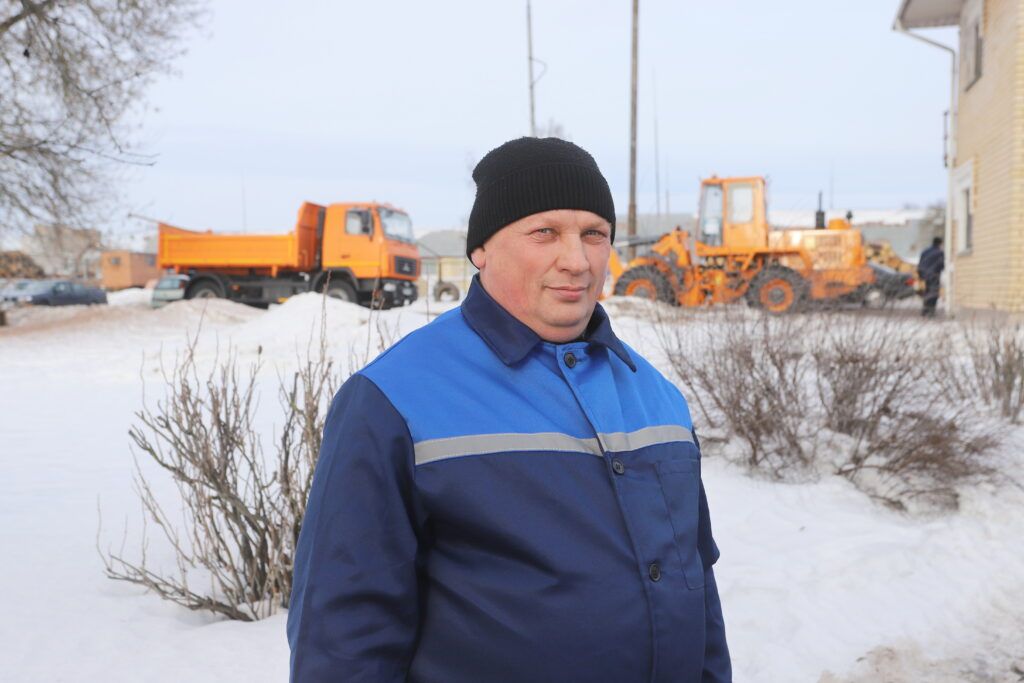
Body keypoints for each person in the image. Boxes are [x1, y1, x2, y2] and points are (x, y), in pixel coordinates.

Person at [287, 137, 731, 682]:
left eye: (594, 234)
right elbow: (343, 631)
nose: (577, 260)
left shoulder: (655, 395)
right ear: (481, 249)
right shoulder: (393, 399)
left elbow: (697, 589)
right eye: (545, 232)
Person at [918, 236, 945, 317]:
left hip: (924, 275)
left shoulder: (925, 251)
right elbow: (941, 264)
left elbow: (920, 263)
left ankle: (925, 310)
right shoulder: (939, 252)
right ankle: (930, 311)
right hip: (934, 275)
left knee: (927, 292)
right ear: (940, 243)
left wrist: (921, 274)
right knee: (934, 293)